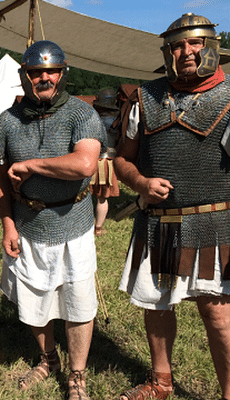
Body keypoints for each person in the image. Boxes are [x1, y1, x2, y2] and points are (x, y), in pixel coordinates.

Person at [115, 13, 230, 400]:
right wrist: (141, 182)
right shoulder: (144, 99)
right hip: (159, 223)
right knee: (157, 305)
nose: (186, 52)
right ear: (167, 52)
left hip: (216, 226)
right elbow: (121, 160)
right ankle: (160, 382)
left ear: (211, 47)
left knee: (218, 317)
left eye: (195, 43)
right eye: (177, 45)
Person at [0, 40, 104, 400]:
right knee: (34, 299)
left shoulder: (80, 114)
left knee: (78, 302)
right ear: (25, 76)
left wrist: (30, 165)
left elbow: (84, 165)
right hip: (27, 224)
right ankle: (48, 359)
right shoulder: (8, 121)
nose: (44, 78)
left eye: (51, 71)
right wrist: (8, 223)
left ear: (62, 74)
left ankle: (77, 375)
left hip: (73, 222)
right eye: (36, 72)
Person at [90, 88, 120, 236]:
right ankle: (98, 228)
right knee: (102, 198)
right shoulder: (116, 120)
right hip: (104, 161)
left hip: (91, 159)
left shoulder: (92, 118)